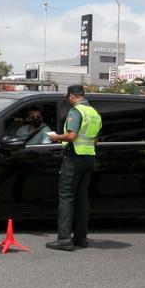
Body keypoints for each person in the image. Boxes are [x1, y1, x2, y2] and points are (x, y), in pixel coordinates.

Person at [44, 85, 101, 251]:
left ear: (71, 96)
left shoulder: (77, 112)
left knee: (66, 197)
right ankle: (81, 238)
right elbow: (96, 140)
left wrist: (56, 137)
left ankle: (64, 239)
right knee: (82, 199)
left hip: (74, 158)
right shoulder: (94, 113)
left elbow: (71, 136)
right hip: (89, 157)